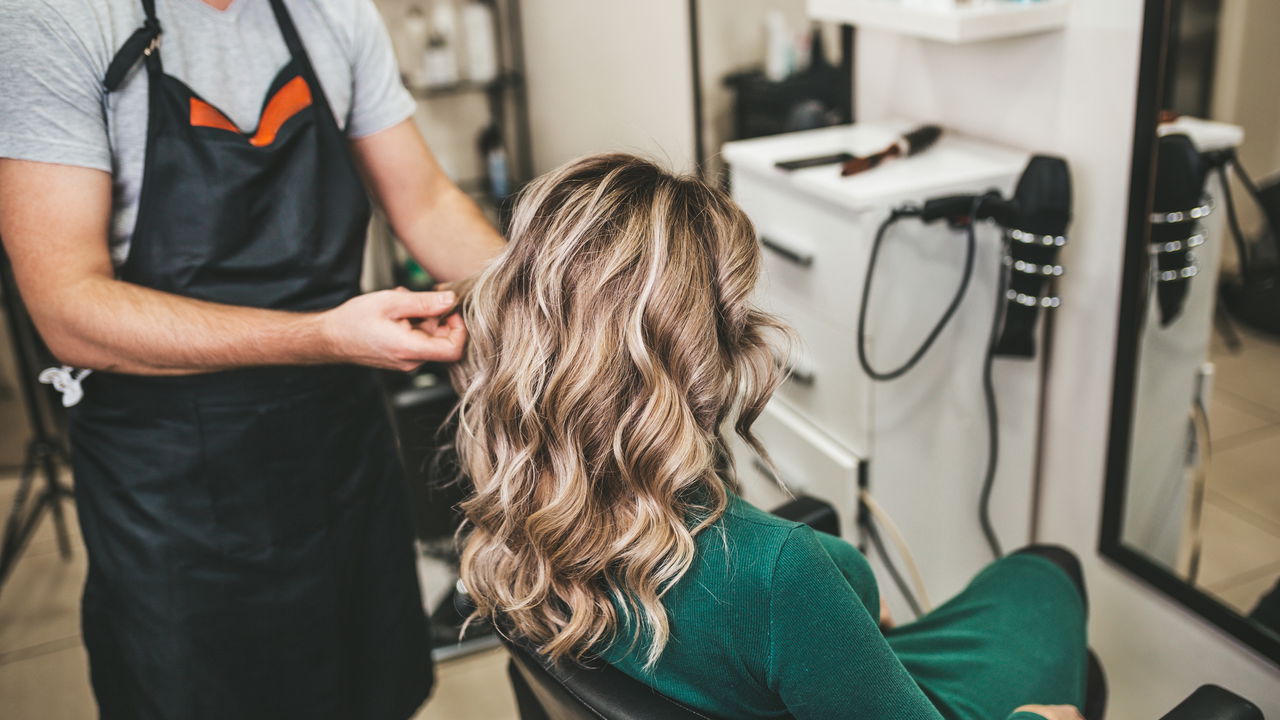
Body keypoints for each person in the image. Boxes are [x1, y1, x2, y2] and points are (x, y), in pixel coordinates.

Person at [448, 154, 1091, 720]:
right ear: (702, 352)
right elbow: (768, 590)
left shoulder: (515, 494)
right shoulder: (780, 576)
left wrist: (844, 601)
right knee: (1046, 572)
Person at [0, 1, 504, 718]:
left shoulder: (332, 12)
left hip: (340, 454)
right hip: (174, 489)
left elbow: (423, 201)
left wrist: (549, 308)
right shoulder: (58, 17)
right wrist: (321, 336)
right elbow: (70, 311)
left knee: (370, 691)